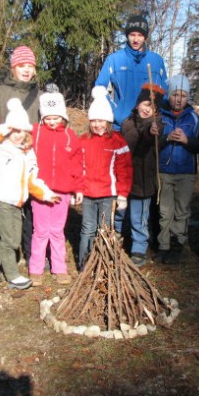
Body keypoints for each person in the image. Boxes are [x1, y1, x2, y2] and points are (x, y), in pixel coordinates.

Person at [0, 99, 59, 289]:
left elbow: (32, 180)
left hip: (16, 202)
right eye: (14, 131)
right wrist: (5, 128)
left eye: (21, 131)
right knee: (12, 240)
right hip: (0, 199)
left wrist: (46, 194)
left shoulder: (28, 153)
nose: (18, 135)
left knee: (10, 239)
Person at [0, 46, 41, 278]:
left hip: (28, 165)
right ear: (13, 68)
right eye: (22, 65)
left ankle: (29, 258)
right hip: (3, 165)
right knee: (0, 217)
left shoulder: (40, 96)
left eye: (30, 66)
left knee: (29, 214)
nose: (26, 70)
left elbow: (45, 132)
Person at [29, 87, 84, 286]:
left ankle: (59, 268)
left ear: (63, 117)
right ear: (43, 118)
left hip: (62, 192)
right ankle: (35, 269)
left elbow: (78, 164)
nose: (52, 122)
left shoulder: (70, 136)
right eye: (48, 118)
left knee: (57, 231)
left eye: (56, 118)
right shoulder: (35, 133)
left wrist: (78, 188)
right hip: (41, 192)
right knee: (40, 230)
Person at [77, 86, 133, 270]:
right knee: (88, 228)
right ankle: (84, 263)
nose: (97, 124)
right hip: (88, 193)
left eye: (101, 120)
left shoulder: (117, 141)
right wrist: (76, 189)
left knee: (105, 228)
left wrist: (123, 194)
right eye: (93, 120)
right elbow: (76, 167)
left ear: (108, 121)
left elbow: (124, 170)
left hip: (108, 194)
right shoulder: (83, 141)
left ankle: (102, 262)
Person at [156, 74, 199, 264]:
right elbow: (153, 142)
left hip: (185, 171)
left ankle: (178, 243)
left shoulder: (194, 118)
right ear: (169, 95)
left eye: (183, 96)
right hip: (164, 171)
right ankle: (163, 245)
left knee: (181, 210)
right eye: (175, 95)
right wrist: (166, 138)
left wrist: (187, 140)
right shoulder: (159, 115)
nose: (178, 99)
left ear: (188, 97)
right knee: (165, 210)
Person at [94, 15, 168, 131]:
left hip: (149, 128)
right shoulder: (114, 60)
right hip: (121, 125)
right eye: (132, 35)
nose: (136, 39)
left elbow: (164, 93)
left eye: (140, 35)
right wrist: (115, 111)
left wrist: (158, 115)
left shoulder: (157, 61)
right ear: (127, 35)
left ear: (145, 37)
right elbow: (100, 89)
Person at [120, 83, 164, 266]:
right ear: (138, 103)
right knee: (122, 213)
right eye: (146, 104)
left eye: (153, 108)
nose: (148, 110)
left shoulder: (156, 124)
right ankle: (121, 240)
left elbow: (151, 135)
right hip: (125, 176)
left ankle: (139, 247)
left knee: (140, 216)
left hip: (144, 179)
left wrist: (150, 131)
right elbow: (128, 142)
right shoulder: (127, 123)